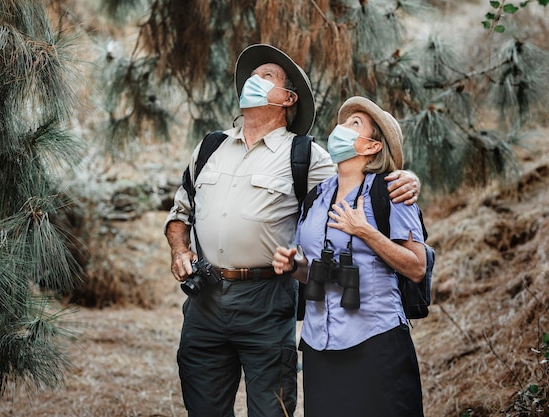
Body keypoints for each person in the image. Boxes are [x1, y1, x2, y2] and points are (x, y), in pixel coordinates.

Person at [164, 45, 420, 417]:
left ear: (288, 98)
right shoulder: (209, 147)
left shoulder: (306, 156)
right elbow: (179, 212)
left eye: (266, 76)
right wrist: (178, 249)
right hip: (205, 300)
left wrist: (408, 178)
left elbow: (358, 178)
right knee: (202, 407)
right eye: (253, 76)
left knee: (273, 410)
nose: (253, 80)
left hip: (267, 300)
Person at [272, 96, 426, 417]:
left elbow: (417, 267)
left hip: (376, 342)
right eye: (342, 122)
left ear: (371, 147)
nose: (340, 127)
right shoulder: (316, 196)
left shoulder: (393, 191)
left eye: (354, 124)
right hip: (318, 345)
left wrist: (365, 231)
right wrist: (295, 265)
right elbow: (313, 268)